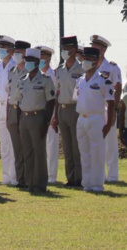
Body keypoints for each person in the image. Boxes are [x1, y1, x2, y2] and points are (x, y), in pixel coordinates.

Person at [75, 46, 116, 192]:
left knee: (97, 153)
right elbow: (77, 98)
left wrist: (109, 123)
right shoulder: (80, 80)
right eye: (84, 58)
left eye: (89, 58)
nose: (85, 61)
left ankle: (97, 184)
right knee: (84, 153)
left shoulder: (103, 80)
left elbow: (111, 102)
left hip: (96, 118)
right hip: (81, 119)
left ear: (96, 60)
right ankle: (87, 183)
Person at [16, 47, 56, 193]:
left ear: (38, 62)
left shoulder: (45, 79)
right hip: (24, 118)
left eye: (31, 61)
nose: (28, 63)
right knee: (27, 152)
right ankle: (30, 183)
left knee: (39, 152)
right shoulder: (23, 80)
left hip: (38, 117)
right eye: (26, 60)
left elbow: (51, 102)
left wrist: (46, 122)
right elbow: (19, 102)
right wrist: (19, 120)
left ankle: (40, 184)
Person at [89, 35, 121, 183]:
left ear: (103, 50)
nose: (93, 50)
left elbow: (118, 87)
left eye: (96, 48)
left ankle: (113, 175)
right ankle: (98, 174)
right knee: (96, 142)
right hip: (94, 109)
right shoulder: (89, 66)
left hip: (108, 108)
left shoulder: (112, 67)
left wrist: (114, 110)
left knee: (110, 143)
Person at [53, 36, 85, 187]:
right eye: (63, 48)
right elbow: (56, 93)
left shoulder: (82, 69)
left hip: (75, 109)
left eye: (67, 48)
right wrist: (55, 115)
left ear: (74, 49)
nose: (64, 51)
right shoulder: (59, 70)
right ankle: (70, 177)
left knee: (77, 146)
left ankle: (79, 178)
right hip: (62, 109)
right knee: (66, 146)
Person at [6, 40, 30, 188]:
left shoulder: (30, 72)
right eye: (15, 52)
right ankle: (20, 179)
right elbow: (9, 94)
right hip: (13, 110)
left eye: (19, 52)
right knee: (17, 148)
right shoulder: (12, 72)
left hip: (25, 111)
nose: (16, 55)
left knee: (27, 146)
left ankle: (30, 178)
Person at [0, 35, 17, 185]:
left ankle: (14, 176)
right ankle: (6, 176)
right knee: (4, 144)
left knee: (13, 143)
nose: (1, 50)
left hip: (11, 107)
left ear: (11, 50)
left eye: (4, 48)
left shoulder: (15, 66)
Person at [36, 45, 59, 184]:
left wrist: (55, 116)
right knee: (38, 145)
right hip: (37, 113)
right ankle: (39, 174)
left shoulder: (54, 75)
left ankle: (51, 176)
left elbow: (56, 97)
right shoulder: (34, 74)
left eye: (43, 56)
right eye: (39, 56)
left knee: (51, 145)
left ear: (49, 58)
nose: (40, 59)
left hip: (50, 114)